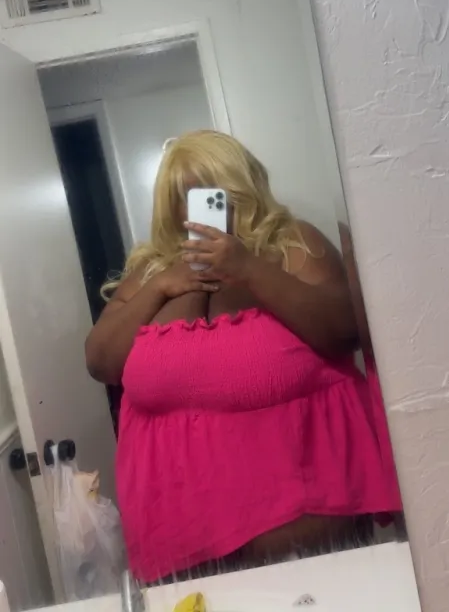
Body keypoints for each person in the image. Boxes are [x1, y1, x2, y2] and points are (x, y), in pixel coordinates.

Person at [85, 130, 402, 583]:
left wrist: (248, 268)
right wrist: (160, 286)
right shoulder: (151, 269)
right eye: (181, 195)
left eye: (211, 190)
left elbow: (344, 330)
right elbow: (101, 362)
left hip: (305, 517)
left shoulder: (292, 244)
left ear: (241, 186)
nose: (195, 205)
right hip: (180, 529)